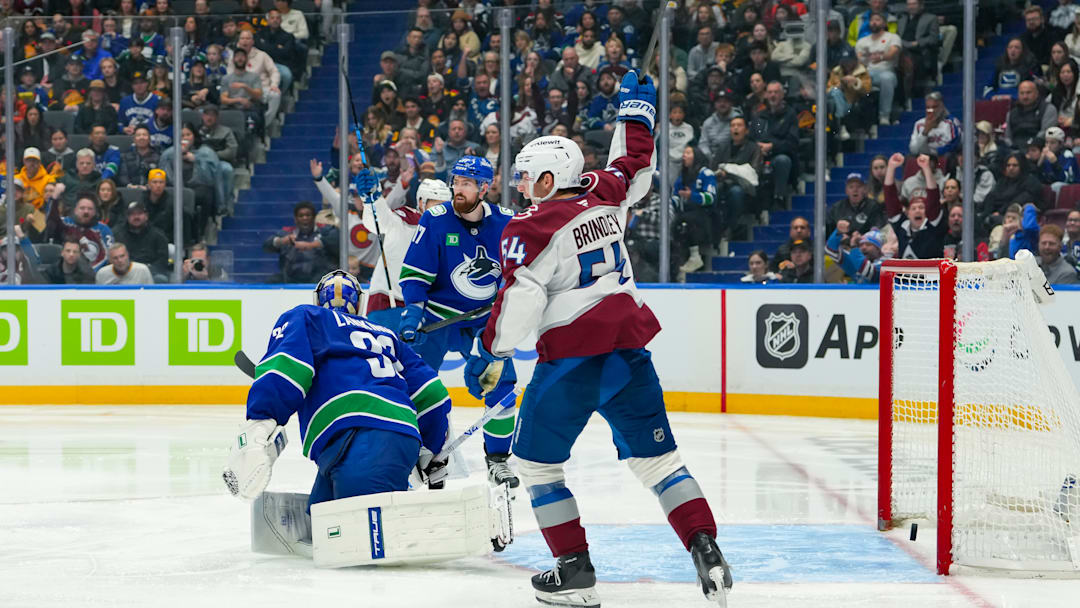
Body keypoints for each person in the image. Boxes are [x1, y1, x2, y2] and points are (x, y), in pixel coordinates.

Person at [467, 71, 732, 607]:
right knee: (660, 463)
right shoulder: (605, 195)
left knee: (537, 465)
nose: (519, 185)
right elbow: (633, 165)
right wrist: (633, 113)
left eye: (526, 176)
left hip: (572, 360)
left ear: (547, 180)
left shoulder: (529, 228)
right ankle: (706, 549)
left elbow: (519, 299)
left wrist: (490, 352)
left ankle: (573, 570)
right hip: (629, 353)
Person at [222, 271, 463, 549]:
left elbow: (287, 367)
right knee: (320, 529)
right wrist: (427, 452)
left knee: (357, 545)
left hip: (361, 438)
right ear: (358, 304)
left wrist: (259, 424)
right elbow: (433, 395)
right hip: (386, 439)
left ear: (317, 299)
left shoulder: (307, 316)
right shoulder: (386, 335)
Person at [396, 155, 519, 489]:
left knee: (502, 386)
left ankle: (498, 461)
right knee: (413, 388)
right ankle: (413, 456)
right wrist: (413, 312)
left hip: (482, 322)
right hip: (436, 317)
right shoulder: (435, 219)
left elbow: (519, 277)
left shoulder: (508, 222)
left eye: (466, 184)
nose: (458, 190)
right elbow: (415, 272)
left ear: (484, 186)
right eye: (455, 183)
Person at [362, 174, 449, 322]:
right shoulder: (403, 221)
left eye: (445, 207)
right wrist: (373, 199)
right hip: (388, 303)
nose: (440, 213)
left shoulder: (449, 232)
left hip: (423, 308)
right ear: (421, 203)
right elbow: (378, 223)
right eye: (436, 206)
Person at [884, 152, 945, 259]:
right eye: (913, 208)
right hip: (906, 275)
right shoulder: (902, 226)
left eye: (921, 207)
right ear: (907, 212)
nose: (917, 210)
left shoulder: (933, 225)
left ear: (927, 212)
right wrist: (891, 167)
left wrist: (926, 168)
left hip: (930, 274)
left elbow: (933, 198)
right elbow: (890, 199)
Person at [264, 201, 340, 284]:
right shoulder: (286, 233)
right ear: (295, 219)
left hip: (320, 282)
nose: (305, 218)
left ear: (314, 217)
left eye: (308, 215)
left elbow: (337, 240)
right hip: (291, 281)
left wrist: (312, 245)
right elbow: (266, 246)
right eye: (301, 216)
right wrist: (282, 241)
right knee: (272, 281)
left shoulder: (326, 231)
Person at [749, 81, 798, 207]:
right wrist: (758, 147)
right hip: (759, 157)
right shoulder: (760, 116)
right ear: (765, 95)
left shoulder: (790, 115)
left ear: (782, 95)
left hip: (780, 155)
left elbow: (792, 142)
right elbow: (752, 137)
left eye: (776, 92)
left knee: (783, 160)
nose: (773, 95)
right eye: (770, 92)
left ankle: (779, 197)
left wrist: (772, 146)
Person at [673, 145, 718, 276]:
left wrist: (692, 196)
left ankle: (695, 256)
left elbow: (711, 198)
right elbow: (675, 195)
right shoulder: (682, 175)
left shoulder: (706, 173)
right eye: (684, 153)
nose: (684, 156)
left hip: (705, 215)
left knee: (688, 220)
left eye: (688, 153)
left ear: (696, 156)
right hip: (685, 212)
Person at [855, 12, 902, 125]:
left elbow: (892, 54)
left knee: (887, 78)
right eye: (872, 20)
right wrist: (865, 58)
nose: (874, 22)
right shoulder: (862, 41)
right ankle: (854, 119)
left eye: (877, 20)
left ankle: (884, 116)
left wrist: (881, 57)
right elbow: (860, 60)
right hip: (868, 72)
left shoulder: (892, 37)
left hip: (887, 71)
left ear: (884, 23)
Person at [112, 201, 170, 282]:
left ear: (146, 216)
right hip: (124, 272)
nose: (136, 216)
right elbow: (112, 257)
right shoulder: (117, 234)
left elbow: (162, 260)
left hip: (151, 273)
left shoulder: (158, 235)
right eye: (132, 214)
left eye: (139, 213)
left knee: (161, 279)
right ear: (127, 217)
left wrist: (145, 270)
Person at [1005, 81, 1059, 148]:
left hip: (1038, 148)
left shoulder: (1048, 109)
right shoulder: (1012, 112)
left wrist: (1030, 145)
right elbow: (1007, 137)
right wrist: (1012, 147)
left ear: (1036, 94)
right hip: (1015, 149)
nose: (1025, 96)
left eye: (1028, 93)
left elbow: (1046, 133)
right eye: (1022, 93)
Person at [909, 92, 961, 158]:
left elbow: (954, 144)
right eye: (928, 108)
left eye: (935, 107)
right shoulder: (919, 124)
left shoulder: (951, 122)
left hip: (944, 157)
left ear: (942, 106)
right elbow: (913, 149)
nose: (931, 111)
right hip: (925, 157)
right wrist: (925, 132)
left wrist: (935, 152)